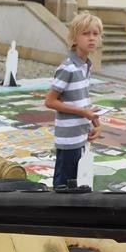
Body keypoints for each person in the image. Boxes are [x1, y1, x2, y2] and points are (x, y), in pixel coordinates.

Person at [45, 12, 103, 189]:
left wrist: (96, 123)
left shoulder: (85, 66)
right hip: (68, 139)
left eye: (95, 34)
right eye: (86, 34)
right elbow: (50, 101)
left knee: (77, 182)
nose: (91, 38)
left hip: (81, 135)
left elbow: (81, 100)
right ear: (74, 38)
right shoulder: (68, 67)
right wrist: (83, 112)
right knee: (63, 185)